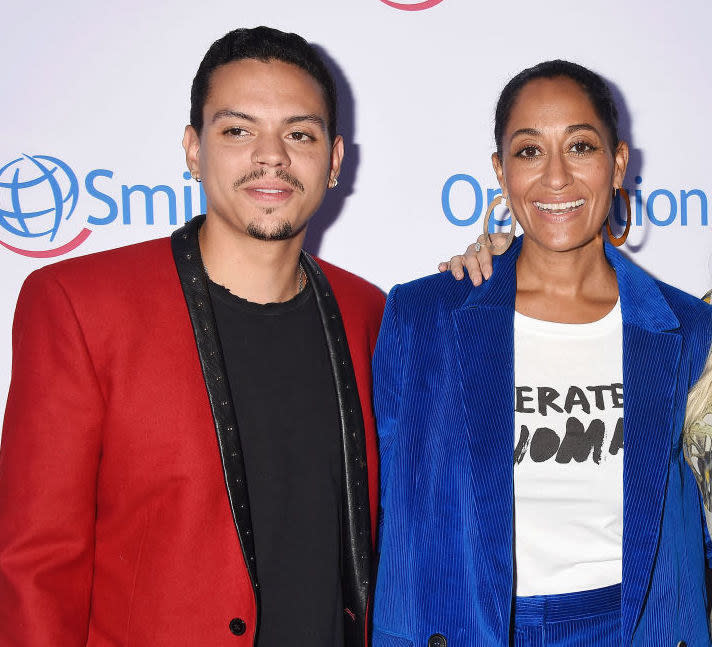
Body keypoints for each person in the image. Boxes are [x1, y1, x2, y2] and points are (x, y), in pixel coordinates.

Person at [0, 27, 387, 647]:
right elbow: (36, 566)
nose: (273, 157)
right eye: (238, 130)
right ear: (193, 149)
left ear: (335, 159)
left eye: (300, 133)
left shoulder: (371, 314)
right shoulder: (80, 306)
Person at [373, 60, 712, 646]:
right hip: (476, 629)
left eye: (580, 146)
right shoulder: (426, 319)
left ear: (619, 164)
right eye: (529, 152)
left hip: (637, 630)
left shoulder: (690, 331)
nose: (556, 177)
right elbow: (395, 524)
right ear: (500, 172)